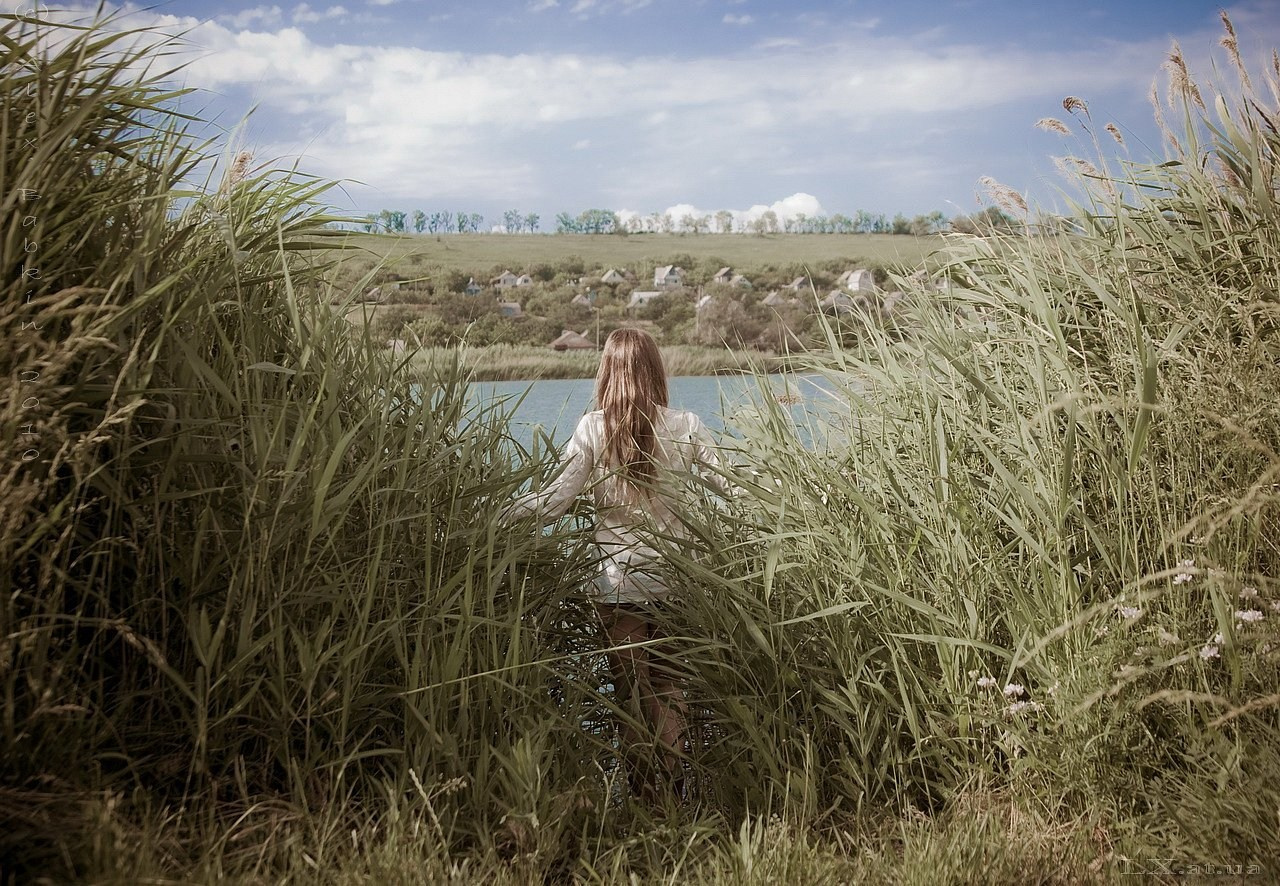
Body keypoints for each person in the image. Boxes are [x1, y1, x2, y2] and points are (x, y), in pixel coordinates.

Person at [498, 327, 730, 800]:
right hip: (676, 583)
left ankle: (642, 794)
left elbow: (552, 503)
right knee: (670, 691)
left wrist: (497, 516)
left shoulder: (593, 428)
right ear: (655, 370)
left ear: (607, 370)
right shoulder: (687, 424)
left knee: (631, 697)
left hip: (616, 585)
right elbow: (735, 493)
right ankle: (674, 792)